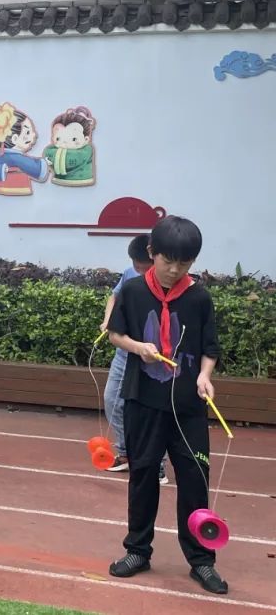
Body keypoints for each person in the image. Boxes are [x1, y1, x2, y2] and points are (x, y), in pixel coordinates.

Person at [107, 216, 228, 595]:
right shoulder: (132, 290)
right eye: (167, 261)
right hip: (142, 400)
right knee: (143, 475)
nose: (175, 270)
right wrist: (137, 347)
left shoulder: (199, 297)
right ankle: (137, 550)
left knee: (194, 479)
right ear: (151, 252)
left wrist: (204, 376)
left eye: (184, 263)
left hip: (188, 406)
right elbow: (114, 334)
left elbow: (210, 348)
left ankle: (202, 559)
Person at [100, 234, 166, 483]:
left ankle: (156, 463)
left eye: (143, 268)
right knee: (112, 400)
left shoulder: (166, 282)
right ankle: (127, 452)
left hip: (152, 356)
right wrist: (109, 319)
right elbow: (114, 296)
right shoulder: (129, 275)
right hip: (125, 351)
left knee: (151, 410)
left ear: (154, 257)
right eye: (136, 267)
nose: (139, 272)